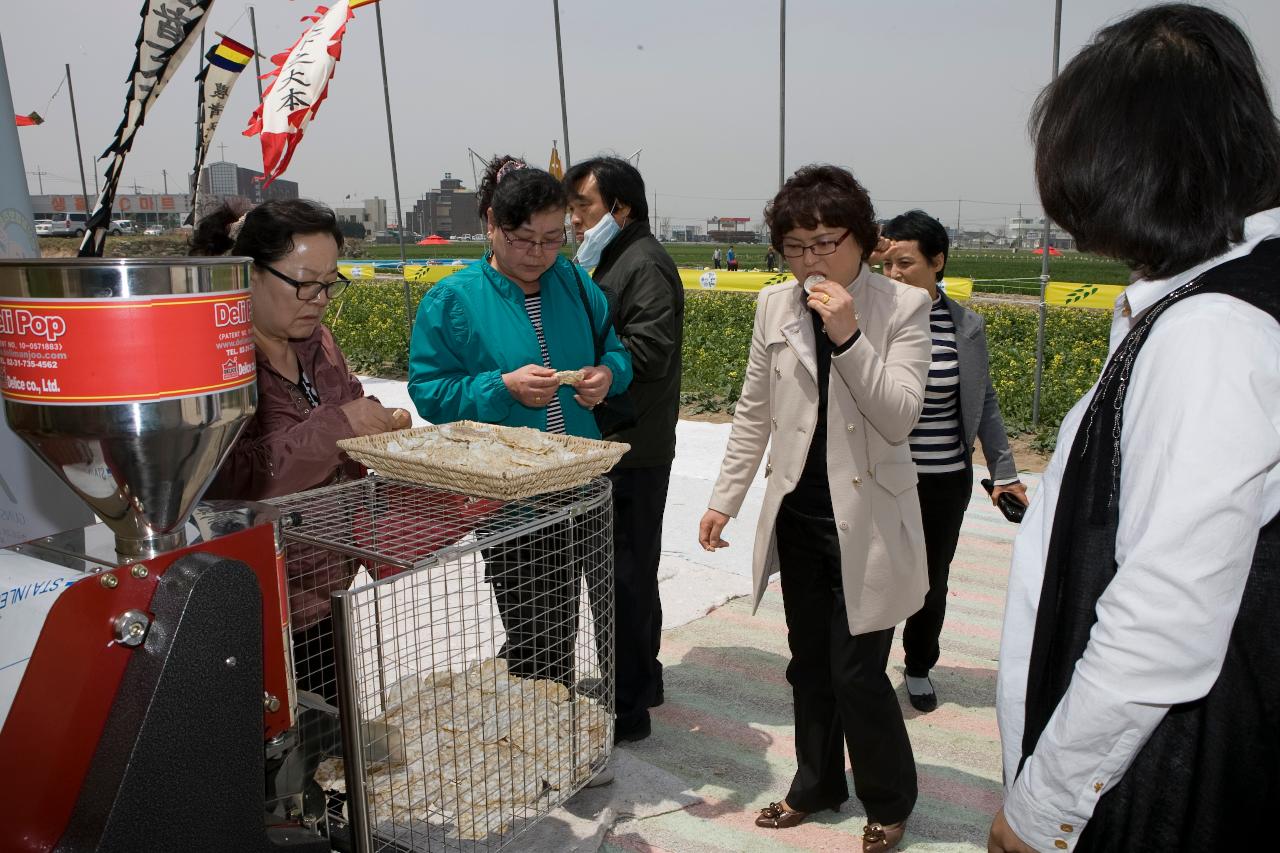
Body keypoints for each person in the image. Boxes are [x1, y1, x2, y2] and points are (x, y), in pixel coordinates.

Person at [990, 6, 1280, 851]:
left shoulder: (1211, 331)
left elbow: (1162, 618)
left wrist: (1040, 806)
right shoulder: (1234, 297)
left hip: (1160, 790)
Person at [699, 164, 930, 852]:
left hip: (870, 522)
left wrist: (850, 336)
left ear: (863, 237)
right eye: (795, 247)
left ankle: (889, 798)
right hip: (799, 514)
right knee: (807, 662)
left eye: (826, 242)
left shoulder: (903, 308)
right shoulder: (774, 305)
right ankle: (816, 783)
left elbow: (900, 417)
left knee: (858, 672)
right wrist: (725, 498)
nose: (810, 260)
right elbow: (753, 411)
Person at [408, 156, 633, 688]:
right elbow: (429, 393)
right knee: (536, 624)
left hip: (582, 479)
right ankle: (539, 735)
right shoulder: (453, 299)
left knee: (595, 604)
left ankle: (571, 717)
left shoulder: (576, 284)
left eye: (553, 239)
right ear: (491, 224)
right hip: (514, 494)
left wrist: (607, 374)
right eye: (523, 239)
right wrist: (499, 386)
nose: (538, 254)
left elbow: (617, 351)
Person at [194, 198, 409, 701]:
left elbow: (348, 404)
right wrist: (339, 428)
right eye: (304, 283)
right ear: (247, 273)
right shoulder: (216, 358)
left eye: (329, 283)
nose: (319, 299)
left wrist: (382, 428)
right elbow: (230, 477)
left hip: (326, 583)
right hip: (260, 597)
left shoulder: (318, 341)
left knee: (328, 728)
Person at [878, 210, 1027, 713]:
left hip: (943, 479)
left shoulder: (965, 326)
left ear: (937, 262)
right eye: (887, 264)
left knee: (930, 579)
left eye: (906, 263)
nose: (894, 275)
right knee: (874, 573)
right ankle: (864, 668)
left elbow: (983, 401)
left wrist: (1004, 473)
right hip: (881, 477)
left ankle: (918, 665)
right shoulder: (870, 319)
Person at [565, 156, 684, 743]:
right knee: (630, 573)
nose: (574, 219)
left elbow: (650, 348)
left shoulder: (644, 264)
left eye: (583, 206)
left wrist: (602, 376)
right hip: (619, 436)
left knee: (620, 576)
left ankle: (628, 706)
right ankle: (645, 679)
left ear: (621, 209)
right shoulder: (613, 257)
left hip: (630, 442)